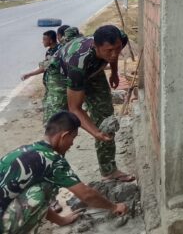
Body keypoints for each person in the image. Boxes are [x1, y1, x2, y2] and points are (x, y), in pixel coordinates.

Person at [0, 111, 127, 234]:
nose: (72, 143)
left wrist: (61, 220)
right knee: (43, 190)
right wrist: (114, 207)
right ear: (64, 136)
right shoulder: (52, 159)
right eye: (73, 138)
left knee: (41, 188)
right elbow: (86, 195)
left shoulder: (25, 150)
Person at [47, 25, 134, 182]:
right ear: (95, 46)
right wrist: (95, 132)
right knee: (58, 125)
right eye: (109, 51)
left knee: (106, 118)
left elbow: (112, 54)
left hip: (93, 69)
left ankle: (109, 170)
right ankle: (52, 178)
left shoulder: (120, 37)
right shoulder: (77, 63)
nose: (115, 54)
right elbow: (75, 108)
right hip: (60, 75)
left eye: (118, 49)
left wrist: (114, 73)